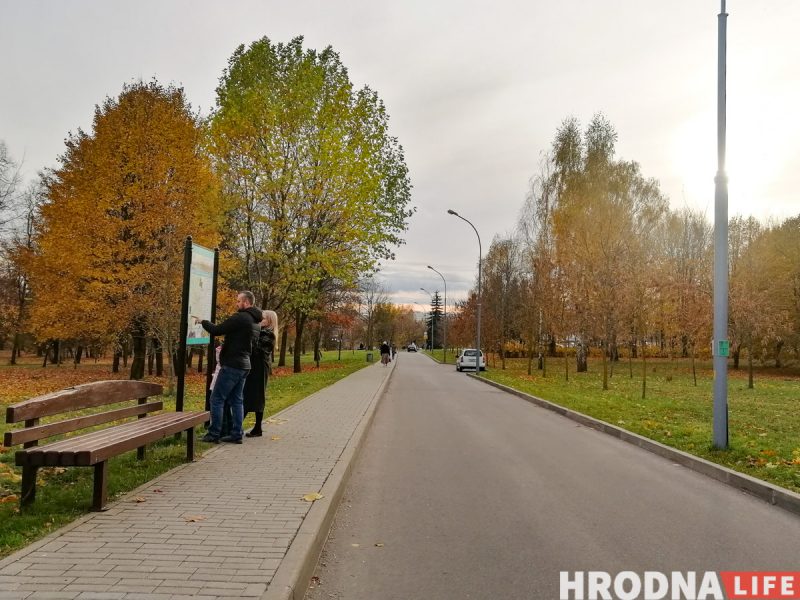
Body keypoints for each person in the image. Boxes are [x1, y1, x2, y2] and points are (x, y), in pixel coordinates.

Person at [194, 291, 262, 444]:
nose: (236, 303)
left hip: (232, 365)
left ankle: (214, 433)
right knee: (237, 400)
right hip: (244, 365)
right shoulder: (255, 322)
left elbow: (217, 329)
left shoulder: (241, 318)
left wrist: (202, 321)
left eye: (238, 301)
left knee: (216, 398)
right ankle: (236, 433)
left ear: (246, 302)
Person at [243, 310, 278, 438]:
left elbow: (258, 349)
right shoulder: (260, 331)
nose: (259, 320)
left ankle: (257, 427)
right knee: (247, 394)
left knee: (257, 395)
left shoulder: (269, 334)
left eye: (262, 318)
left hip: (260, 367)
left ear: (269, 321)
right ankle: (239, 425)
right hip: (254, 366)